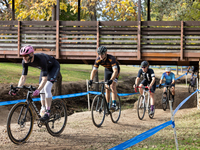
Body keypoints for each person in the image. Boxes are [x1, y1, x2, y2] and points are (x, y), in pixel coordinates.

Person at [14, 45, 60, 121]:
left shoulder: (41, 59)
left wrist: (38, 90)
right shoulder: (24, 61)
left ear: (31, 54)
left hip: (53, 67)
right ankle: (43, 108)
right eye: (22, 56)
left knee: (46, 88)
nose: (24, 58)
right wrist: (17, 88)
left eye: (26, 55)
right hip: (44, 69)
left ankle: (48, 112)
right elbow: (23, 77)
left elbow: (44, 79)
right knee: (41, 90)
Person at [88, 46, 120, 111]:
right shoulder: (98, 59)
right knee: (107, 88)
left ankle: (114, 104)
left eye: (102, 54)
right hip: (107, 70)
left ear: (105, 53)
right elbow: (94, 71)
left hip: (115, 71)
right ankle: (107, 105)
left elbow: (115, 71)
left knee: (112, 85)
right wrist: (91, 80)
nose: (100, 56)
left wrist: (111, 80)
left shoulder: (111, 58)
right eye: (99, 54)